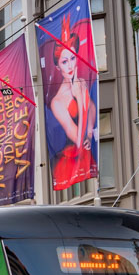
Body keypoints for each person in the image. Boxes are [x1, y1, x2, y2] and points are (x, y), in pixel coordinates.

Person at [46, 17, 97, 189]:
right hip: (71, 162)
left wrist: (90, 131)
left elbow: (92, 108)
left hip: (87, 155)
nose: (70, 66)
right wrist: (80, 98)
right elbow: (77, 139)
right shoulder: (57, 102)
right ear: (58, 66)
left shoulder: (81, 82)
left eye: (73, 58)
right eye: (64, 61)